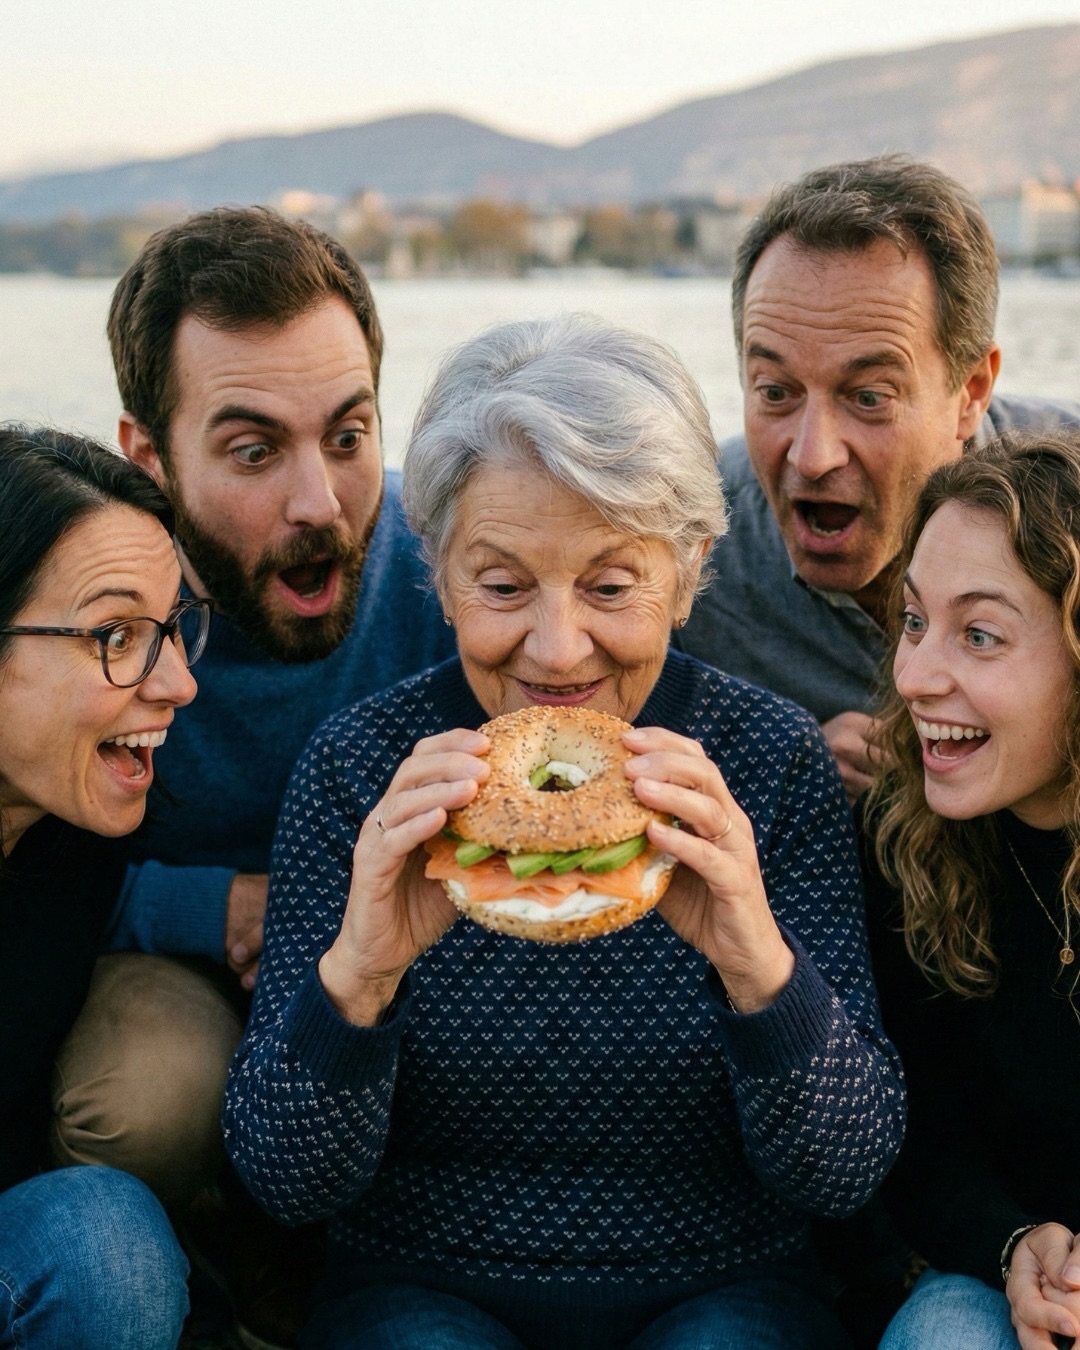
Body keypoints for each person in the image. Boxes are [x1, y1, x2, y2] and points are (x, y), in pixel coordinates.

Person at [223, 314, 905, 1350]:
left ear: (688, 572)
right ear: (438, 571)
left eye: (610, 584)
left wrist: (756, 962)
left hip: (723, 1286)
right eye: (501, 585)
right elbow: (283, 1180)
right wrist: (357, 975)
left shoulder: (766, 765)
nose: (555, 645)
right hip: (420, 1285)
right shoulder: (364, 770)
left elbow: (847, 1170)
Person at [50, 207, 456, 1344]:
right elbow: (30, 859)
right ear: (148, 457)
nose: (319, 502)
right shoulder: (85, 613)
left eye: (347, 433)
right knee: (144, 1096)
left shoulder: (455, 574)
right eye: (251, 450)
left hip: (408, 957)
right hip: (179, 962)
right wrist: (209, 907)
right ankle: (196, 1280)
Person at [674, 155, 1080, 804]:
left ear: (970, 391)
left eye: (868, 396)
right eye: (776, 391)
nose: (812, 456)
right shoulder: (677, 548)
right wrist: (777, 769)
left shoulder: (1072, 497)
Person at [859, 431, 1080, 1350]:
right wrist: (1013, 1246)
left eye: (979, 634)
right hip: (997, 1282)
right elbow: (917, 1129)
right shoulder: (903, 842)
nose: (915, 675)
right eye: (914, 621)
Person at [0, 424, 202, 1348]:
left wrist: (228, 908)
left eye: (171, 629)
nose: (180, 684)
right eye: (117, 635)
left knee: (103, 1240)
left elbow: (126, 899)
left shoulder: (73, 826)